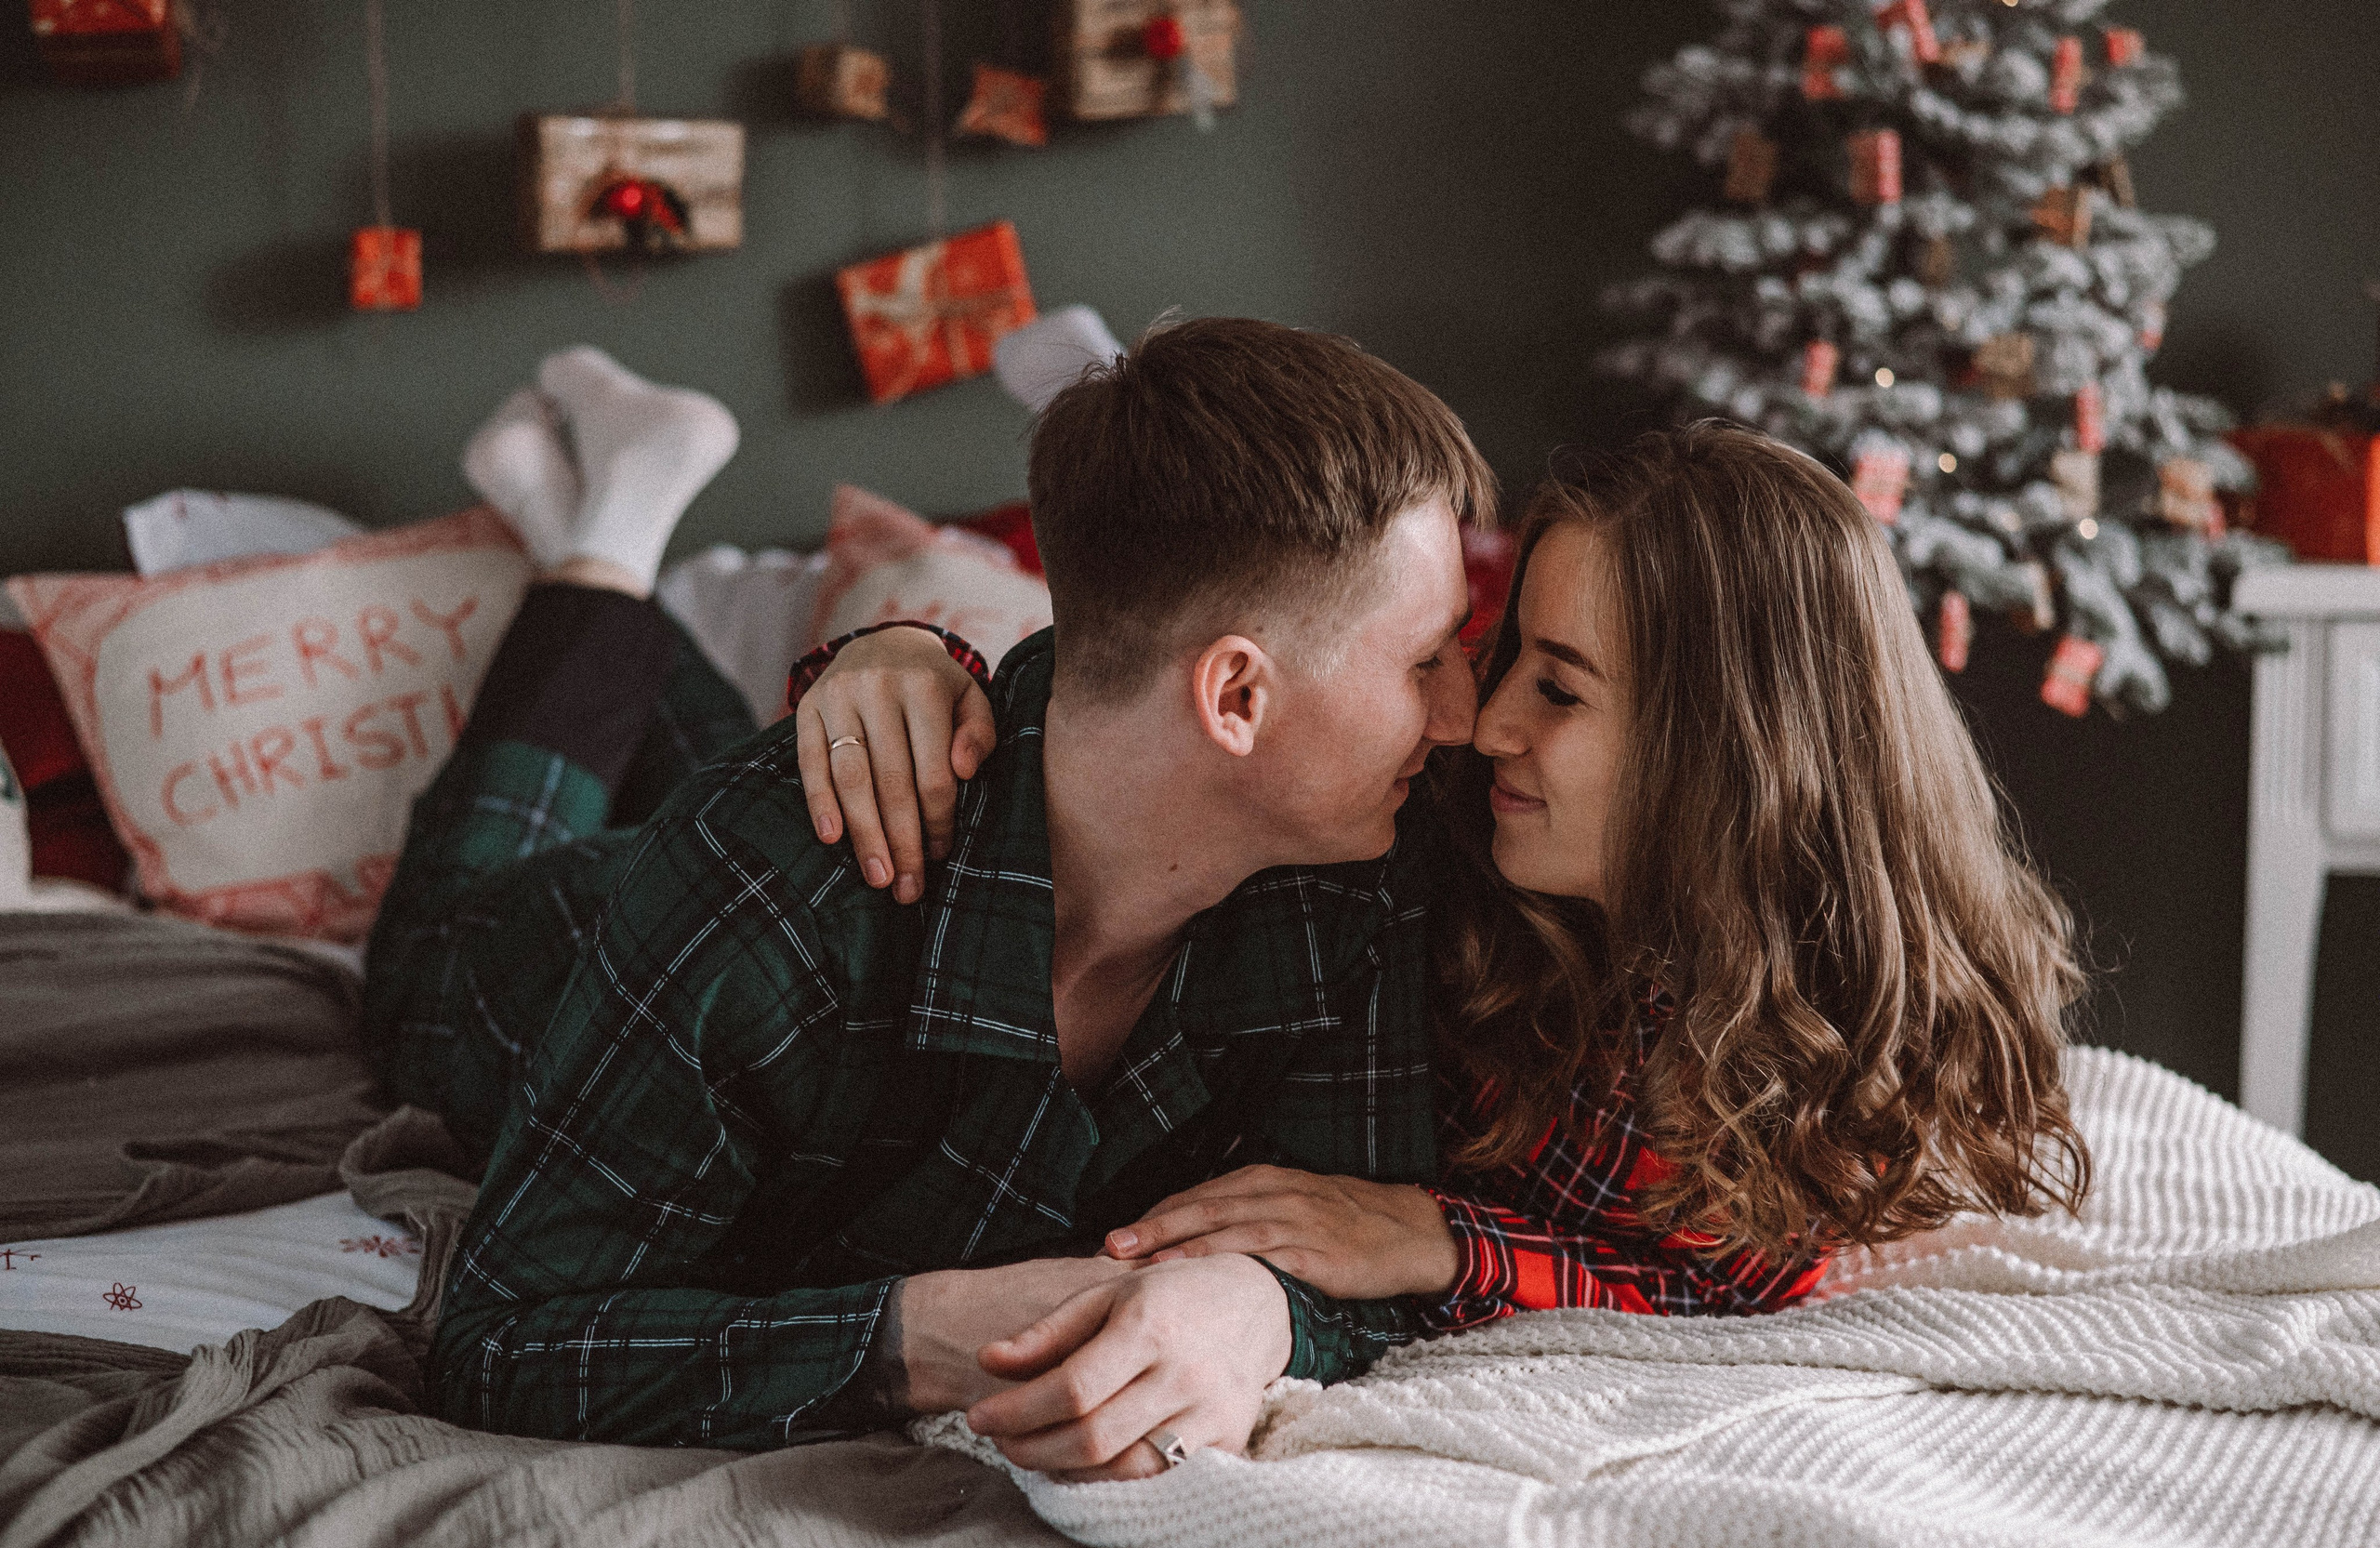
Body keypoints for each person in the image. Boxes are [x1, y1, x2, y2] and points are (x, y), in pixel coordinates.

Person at [364, 321, 1494, 1476]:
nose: (1466, 719)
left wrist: (1256, 1310)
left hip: (766, 878)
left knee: (759, 800)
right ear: (1237, 697)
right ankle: (598, 552)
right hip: (550, 947)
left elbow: (1353, 1248)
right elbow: (501, 1347)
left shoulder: (1361, 870)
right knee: (427, 951)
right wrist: (913, 1339)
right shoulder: (757, 887)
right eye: (1425, 664)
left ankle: (603, 552)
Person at [791, 420, 2092, 1330]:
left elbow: (1734, 1276)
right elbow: (1136, 716)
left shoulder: (1869, 998)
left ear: (1737, 749)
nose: (1484, 720)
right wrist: (899, 653)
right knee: (602, 821)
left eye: (1560, 685)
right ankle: (602, 585)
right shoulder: (1433, 835)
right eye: (1500, 649)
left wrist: (1444, 1242)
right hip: (695, 889)